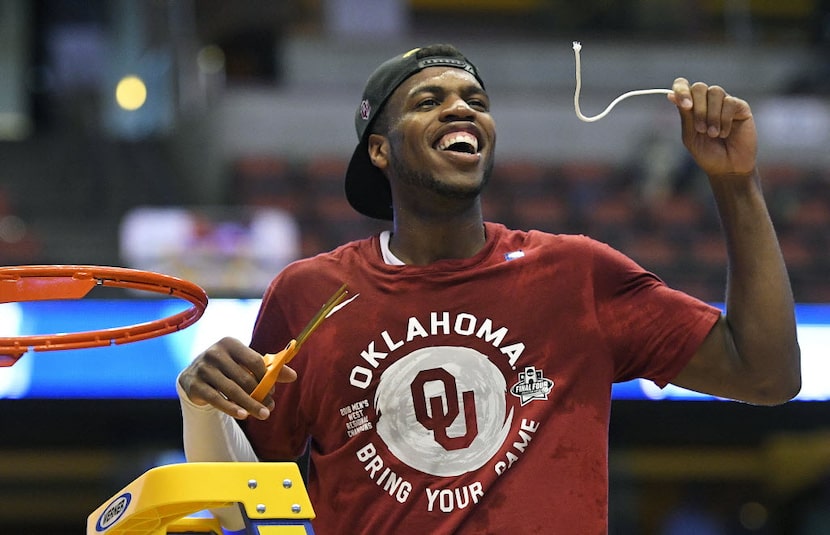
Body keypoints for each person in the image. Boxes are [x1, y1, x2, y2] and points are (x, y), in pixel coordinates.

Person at [177, 44, 801, 534]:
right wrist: (201, 404)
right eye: (427, 101)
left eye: (475, 99)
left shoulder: (577, 274)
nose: (460, 109)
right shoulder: (308, 293)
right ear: (379, 151)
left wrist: (736, 182)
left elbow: (767, 374)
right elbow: (242, 507)